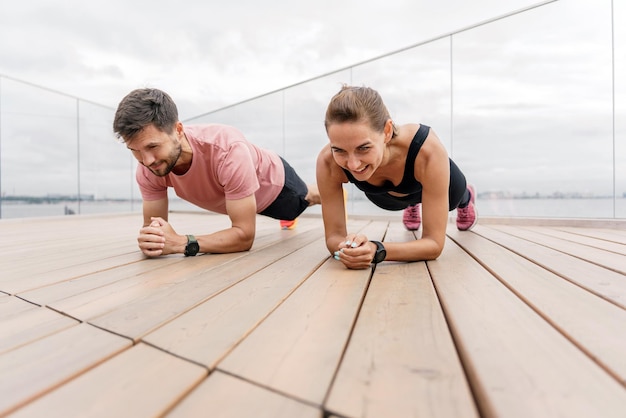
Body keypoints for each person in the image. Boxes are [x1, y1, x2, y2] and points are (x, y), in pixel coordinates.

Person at [113, 88, 320, 258]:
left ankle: (321, 190)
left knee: (305, 199)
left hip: (276, 184)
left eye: (153, 146)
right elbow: (155, 232)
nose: (146, 160)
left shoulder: (228, 150)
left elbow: (244, 236)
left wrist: (182, 243)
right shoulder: (149, 167)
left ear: (178, 130)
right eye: (135, 151)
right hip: (244, 198)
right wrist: (153, 240)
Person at [316, 85, 476, 269]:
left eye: (364, 148)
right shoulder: (328, 162)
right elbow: (333, 237)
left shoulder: (427, 150)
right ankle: (414, 204)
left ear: (387, 131)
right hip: (387, 198)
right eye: (339, 150)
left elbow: (434, 244)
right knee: (390, 202)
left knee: (455, 198)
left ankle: (467, 199)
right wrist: (350, 248)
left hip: (441, 184)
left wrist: (377, 250)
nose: (353, 165)